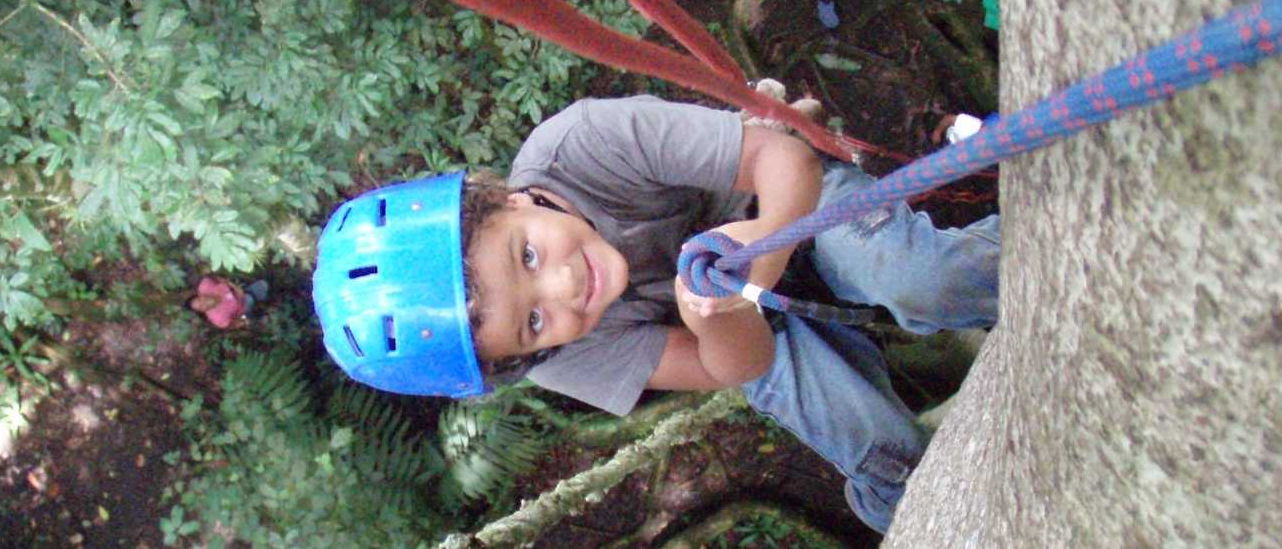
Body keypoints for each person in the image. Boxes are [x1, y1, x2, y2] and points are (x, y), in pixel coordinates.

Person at [314, 95, 1001, 533]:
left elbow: (785, 158)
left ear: (506, 198)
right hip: (749, 326)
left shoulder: (583, 145)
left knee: (924, 279)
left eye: (525, 255)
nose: (561, 286)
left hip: (796, 215)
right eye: (531, 323)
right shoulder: (562, 358)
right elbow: (733, 364)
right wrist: (718, 311)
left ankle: (1046, 253)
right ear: (522, 358)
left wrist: (753, 259)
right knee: (888, 464)